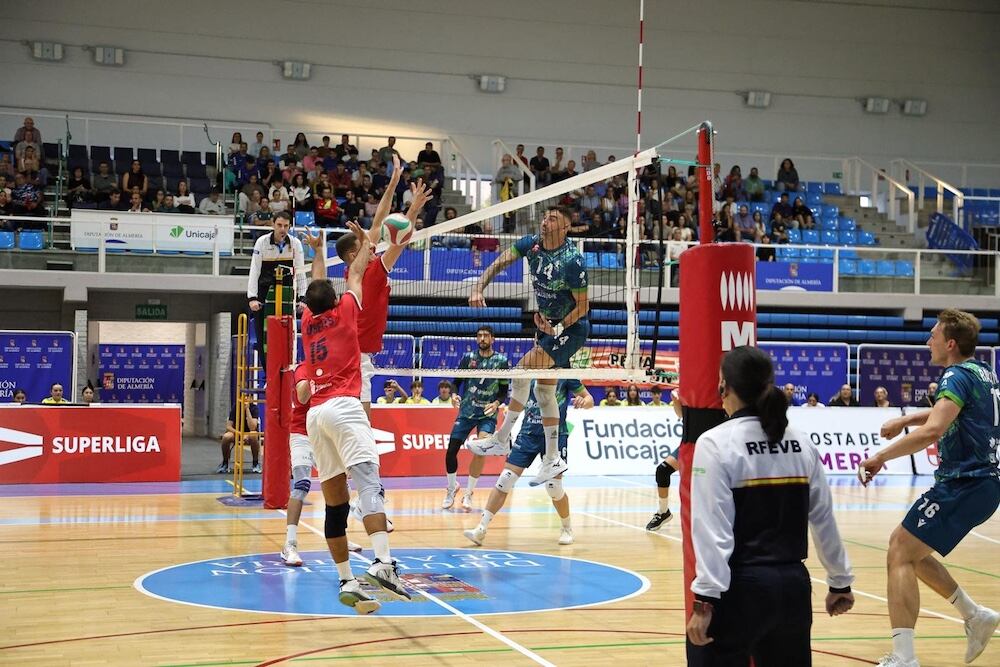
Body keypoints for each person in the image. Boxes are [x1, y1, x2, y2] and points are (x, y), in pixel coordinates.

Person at [687, 346, 855, 664]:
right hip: (793, 589)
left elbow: (713, 529)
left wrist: (705, 600)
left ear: (724, 386)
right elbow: (823, 519)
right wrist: (839, 580)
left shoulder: (716, 443)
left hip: (740, 590)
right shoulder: (801, 442)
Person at [858, 310, 1000, 667]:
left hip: (964, 482)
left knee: (899, 552)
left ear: (950, 344)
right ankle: (974, 615)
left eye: (933, 335)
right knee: (910, 552)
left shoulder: (955, 373)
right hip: (984, 483)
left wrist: (880, 456)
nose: (928, 341)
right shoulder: (984, 372)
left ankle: (904, 658)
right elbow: (949, 412)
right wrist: (906, 418)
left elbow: (933, 430)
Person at [299, 219, 409, 614]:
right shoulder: (347, 309)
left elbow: (315, 286)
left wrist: (316, 251)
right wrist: (367, 240)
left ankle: (347, 580)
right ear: (337, 297)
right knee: (368, 485)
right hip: (345, 406)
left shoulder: (307, 324)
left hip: (315, 415)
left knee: (335, 506)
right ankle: (382, 564)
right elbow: (359, 270)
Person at [468, 205, 590, 488]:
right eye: (546, 216)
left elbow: (583, 306)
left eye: (554, 218)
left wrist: (557, 328)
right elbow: (500, 262)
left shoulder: (572, 260)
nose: (546, 220)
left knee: (522, 370)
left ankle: (501, 438)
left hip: (569, 329)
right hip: (546, 326)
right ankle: (552, 459)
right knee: (544, 391)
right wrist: (479, 286)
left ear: (565, 227)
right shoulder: (531, 244)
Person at [306, 154, 430, 420]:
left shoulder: (354, 271)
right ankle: (363, 459)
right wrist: (414, 209)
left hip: (348, 352)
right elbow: (399, 241)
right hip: (357, 356)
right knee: (361, 417)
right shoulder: (370, 273)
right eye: (365, 247)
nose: (372, 248)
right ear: (354, 254)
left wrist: (394, 181)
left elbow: (378, 222)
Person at [465, 380, 593, 547]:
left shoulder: (564, 375)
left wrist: (584, 401)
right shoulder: (528, 373)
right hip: (528, 434)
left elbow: (589, 399)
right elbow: (516, 401)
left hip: (555, 436)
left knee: (553, 486)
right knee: (505, 478)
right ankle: (481, 529)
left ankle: (567, 528)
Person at [280, 363, 362, 566]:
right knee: (301, 485)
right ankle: (289, 544)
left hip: (324, 432)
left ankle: (339, 536)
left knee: (341, 486)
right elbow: (302, 397)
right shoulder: (303, 368)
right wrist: (319, 377)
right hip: (302, 433)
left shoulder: (337, 366)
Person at [442, 326, 510, 511]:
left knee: (480, 451)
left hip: (487, 414)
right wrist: (454, 395)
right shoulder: (468, 358)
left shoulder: (501, 361)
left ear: (493, 339)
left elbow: (504, 392)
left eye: (486, 335)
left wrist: (497, 403)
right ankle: (451, 488)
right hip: (466, 412)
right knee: (451, 451)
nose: (482, 338)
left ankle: (469, 493)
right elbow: (456, 383)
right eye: (479, 336)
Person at [247, 211, 307, 371]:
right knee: (263, 336)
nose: (282, 229)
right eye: (279, 225)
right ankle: (269, 374)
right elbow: (254, 270)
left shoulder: (295, 244)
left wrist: (303, 297)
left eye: (286, 226)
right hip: (264, 296)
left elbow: (300, 272)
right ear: (273, 224)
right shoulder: (261, 242)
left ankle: (287, 371)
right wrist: (252, 297)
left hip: (287, 294)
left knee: (287, 335)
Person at [646, 389, 683, 531]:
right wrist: (675, 401)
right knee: (662, 470)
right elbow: (681, 414)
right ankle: (663, 512)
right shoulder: (688, 391)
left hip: (711, 441)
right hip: (690, 441)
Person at [217, 401, 260, 473]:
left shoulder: (254, 408)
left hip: (248, 434)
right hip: (236, 433)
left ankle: (255, 463)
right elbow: (229, 426)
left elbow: (253, 427)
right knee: (226, 437)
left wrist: (247, 410)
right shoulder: (236, 407)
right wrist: (240, 434)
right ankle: (225, 463)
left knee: (253, 435)